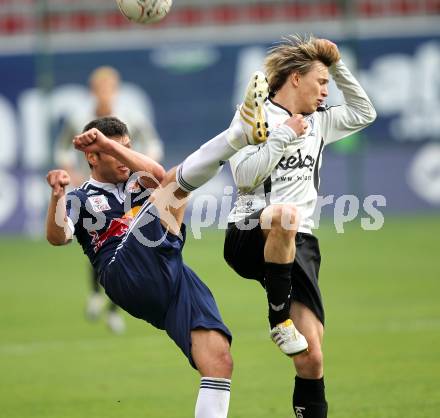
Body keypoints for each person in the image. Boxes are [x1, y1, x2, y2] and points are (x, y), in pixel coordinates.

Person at [46, 72, 303, 415]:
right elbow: (57, 237)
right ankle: (238, 134)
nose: (125, 156)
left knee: (218, 360)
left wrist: (110, 146)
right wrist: (58, 195)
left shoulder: (138, 181)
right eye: (114, 151)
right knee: (174, 189)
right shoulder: (81, 197)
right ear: (92, 158)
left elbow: (156, 173)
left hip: (170, 273)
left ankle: (238, 134)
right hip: (124, 270)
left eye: (127, 148)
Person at [222, 36, 377, 417]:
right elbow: (242, 175)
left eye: (329, 83)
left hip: (300, 244)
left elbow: (364, 112)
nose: (326, 90)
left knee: (312, 358)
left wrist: (337, 65)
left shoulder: (321, 121)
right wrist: (284, 136)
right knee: (286, 215)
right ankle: (278, 318)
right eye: (321, 81)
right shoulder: (255, 114)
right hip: (248, 230)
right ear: (294, 79)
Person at [54, 66, 164, 333]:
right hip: (94, 188)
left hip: (127, 188)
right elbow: (61, 148)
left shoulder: (127, 118)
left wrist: (141, 170)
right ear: (93, 90)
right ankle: (95, 294)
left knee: (123, 242)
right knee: (97, 240)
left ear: (116, 89)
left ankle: (113, 309)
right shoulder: (80, 118)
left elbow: (153, 145)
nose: (105, 92)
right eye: (100, 87)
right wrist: (73, 172)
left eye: (110, 87)